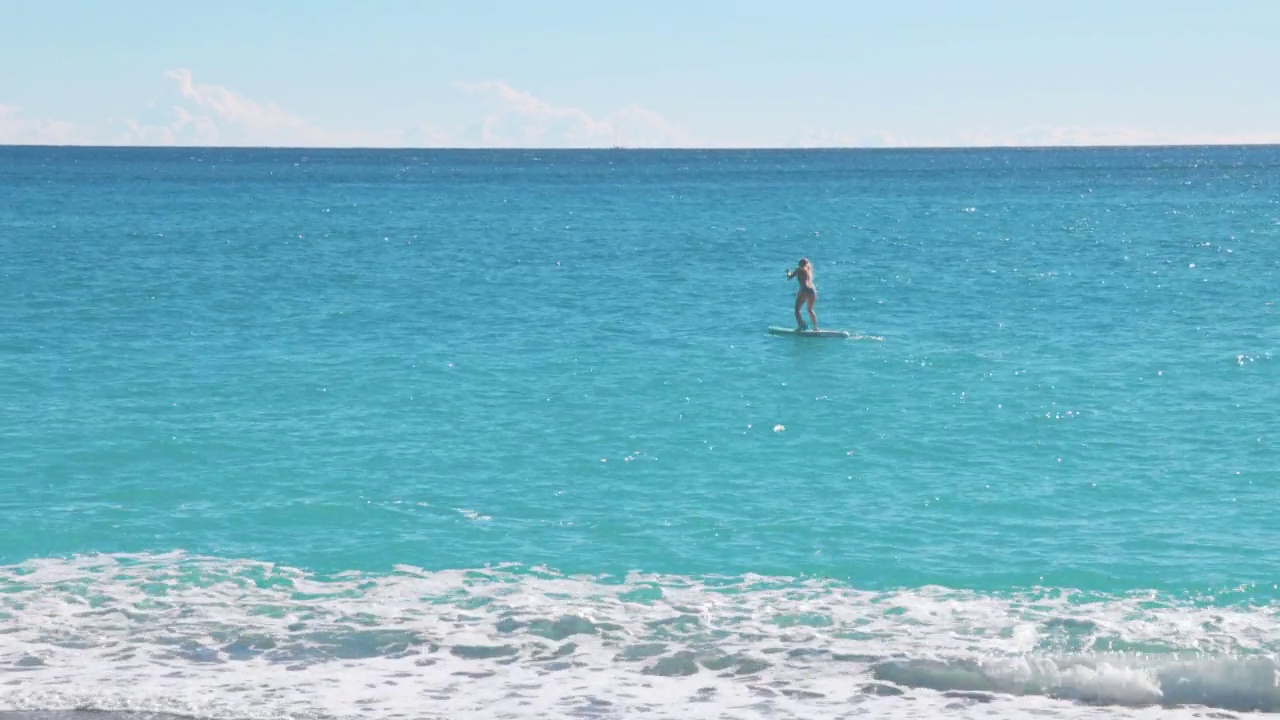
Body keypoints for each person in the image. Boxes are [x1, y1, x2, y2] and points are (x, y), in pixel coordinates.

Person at [786, 257, 819, 330]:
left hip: (804, 289)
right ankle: (816, 327)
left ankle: (801, 326)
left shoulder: (798, 269)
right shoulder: (809, 271)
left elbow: (789, 277)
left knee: (797, 310)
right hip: (812, 290)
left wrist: (788, 272)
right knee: (810, 309)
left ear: (800, 264)